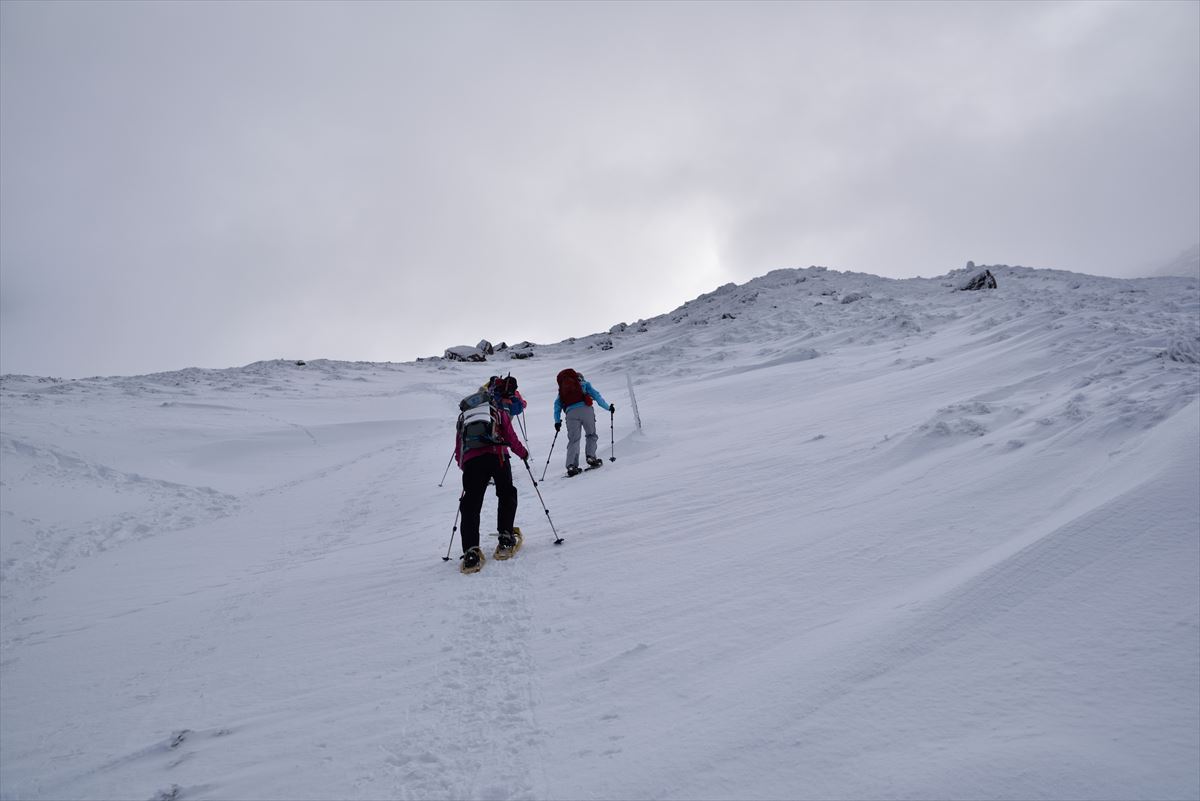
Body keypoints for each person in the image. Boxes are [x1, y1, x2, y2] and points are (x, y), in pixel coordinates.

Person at [454, 379, 529, 573]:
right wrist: (523, 454)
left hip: (472, 462)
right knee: (506, 494)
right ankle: (505, 538)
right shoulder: (498, 412)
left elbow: (458, 448)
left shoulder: (465, 417)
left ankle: (471, 552)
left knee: (471, 504)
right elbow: (511, 438)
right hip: (498, 458)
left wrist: (466, 466)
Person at [553, 368, 614, 477]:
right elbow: (597, 396)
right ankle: (591, 457)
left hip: (570, 414)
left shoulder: (562, 391)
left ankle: (571, 465)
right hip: (586, 410)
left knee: (574, 440)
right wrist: (608, 408)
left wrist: (557, 422)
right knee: (591, 434)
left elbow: (557, 406)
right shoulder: (585, 385)